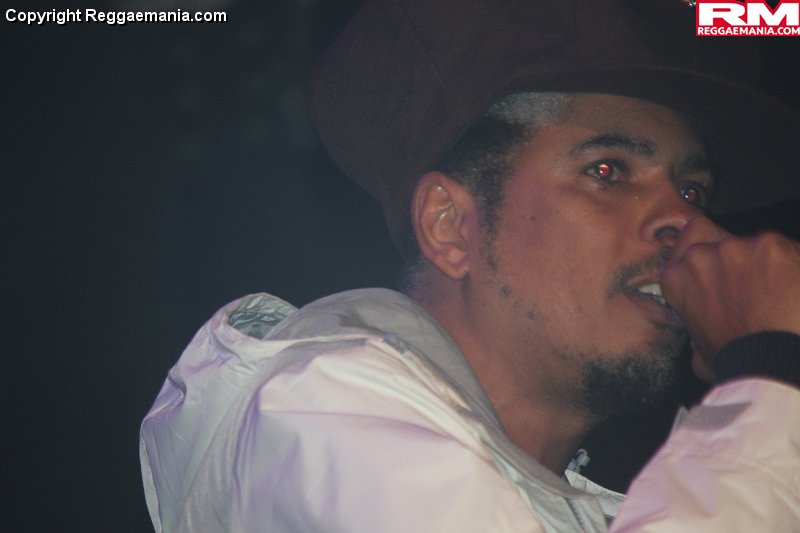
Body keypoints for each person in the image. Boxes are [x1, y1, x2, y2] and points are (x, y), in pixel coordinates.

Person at [140, 0, 800, 531]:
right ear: (450, 226)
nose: (687, 222)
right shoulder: (318, 411)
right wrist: (768, 378)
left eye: (694, 191)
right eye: (608, 170)